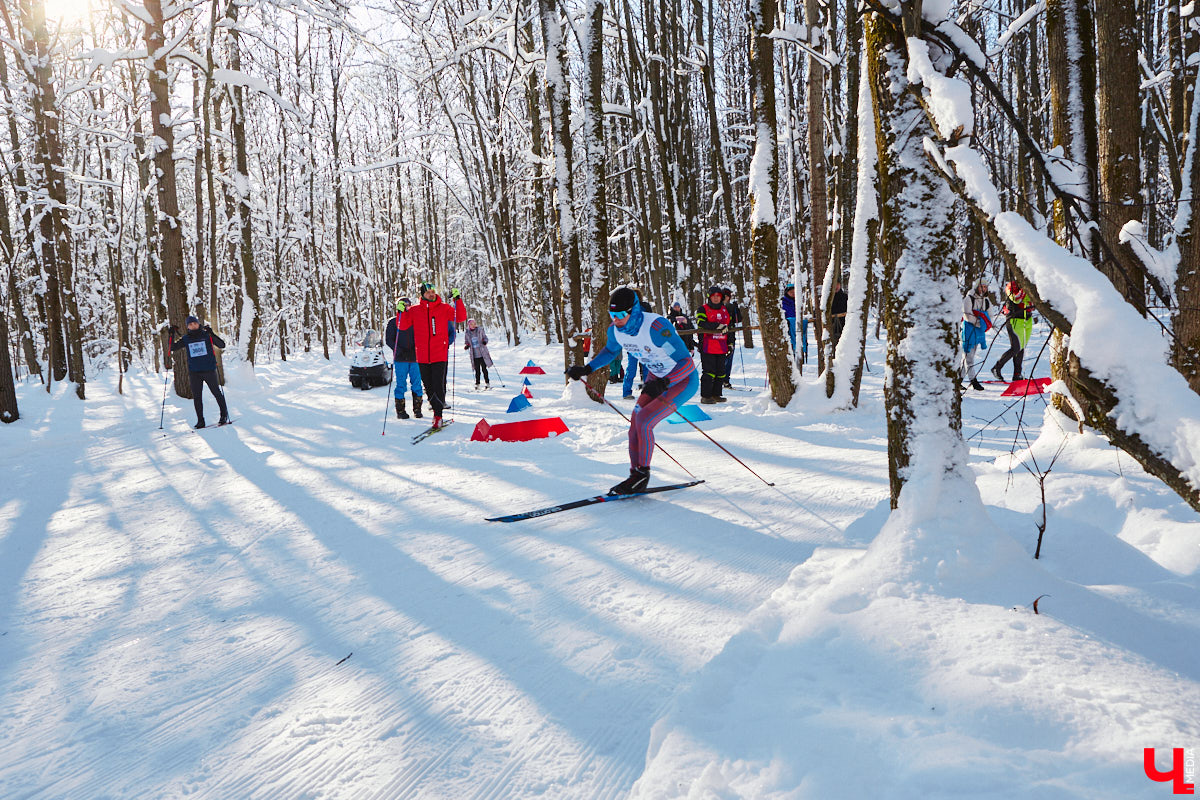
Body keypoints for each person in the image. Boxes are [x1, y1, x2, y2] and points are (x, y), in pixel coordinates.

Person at [566, 287, 698, 495]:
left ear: (633, 311)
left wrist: (665, 382)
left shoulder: (656, 328)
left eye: (620, 315)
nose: (616, 320)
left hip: (682, 379)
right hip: (657, 378)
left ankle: (642, 475)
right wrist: (587, 369)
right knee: (635, 423)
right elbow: (611, 351)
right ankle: (634, 475)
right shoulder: (615, 331)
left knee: (645, 420)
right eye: (612, 315)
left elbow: (686, 362)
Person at [398, 282, 467, 428]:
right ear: (422, 294)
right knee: (428, 387)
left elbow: (460, 317)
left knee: (438, 385)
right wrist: (401, 312)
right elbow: (402, 326)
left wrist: (457, 300)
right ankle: (435, 408)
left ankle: (438, 415)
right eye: (428, 291)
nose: (431, 293)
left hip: (439, 354)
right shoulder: (415, 310)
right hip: (422, 355)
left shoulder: (444, 308)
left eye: (433, 291)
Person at [169, 315, 229, 428]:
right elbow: (172, 348)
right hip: (194, 372)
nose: (193, 325)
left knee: (216, 392)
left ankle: (223, 415)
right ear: (188, 327)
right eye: (190, 324)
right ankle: (200, 421)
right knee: (197, 397)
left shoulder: (206, 335)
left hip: (209, 370)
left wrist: (211, 333)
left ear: (198, 324)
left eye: (194, 323)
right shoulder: (186, 339)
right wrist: (171, 334)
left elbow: (222, 345)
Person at [385, 297, 423, 419]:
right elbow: (389, 340)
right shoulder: (393, 322)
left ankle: (417, 409)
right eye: (403, 305)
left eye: (408, 305)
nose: (406, 307)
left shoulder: (415, 320)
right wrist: (399, 350)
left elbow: (420, 335)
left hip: (414, 357)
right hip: (401, 358)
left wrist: (416, 348)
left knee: (417, 383)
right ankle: (400, 410)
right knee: (401, 384)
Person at [991, 281, 1033, 383]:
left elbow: (1031, 303)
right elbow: (1016, 299)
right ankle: (997, 367)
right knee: (1016, 348)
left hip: (1026, 320)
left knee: (1021, 347)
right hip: (1014, 319)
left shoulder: (1030, 286)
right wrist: (1024, 290)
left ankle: (1017, 374)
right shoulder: (1011, 286)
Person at [695, 286, 731, 404]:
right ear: (709, 297)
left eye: (718, 296)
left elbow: (729, 328)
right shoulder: (702, 309)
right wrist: (716, 326)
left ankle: (716, 394)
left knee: (721, 372)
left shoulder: (725, 310)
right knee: (709, 372)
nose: (716, 299)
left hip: (721, 346)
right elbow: (701, 323)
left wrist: (730, 343)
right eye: (713, 296)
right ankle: (706, 396)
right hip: (707, 345)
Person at [961, 280, 991, 391]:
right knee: (969, 357)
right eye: (981, 286)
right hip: (968, 331)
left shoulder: (986, 300)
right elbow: (967, 315)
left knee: (968, 357)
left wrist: (985, 323)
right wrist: (980, 323)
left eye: (985, 287)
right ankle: (974, 381)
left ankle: (958, 380)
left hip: (979, 332)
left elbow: (990, 315)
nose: (983, 289)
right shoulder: (969, 299)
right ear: (977, 287)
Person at [463, 318, 493, 388]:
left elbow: (485, 338)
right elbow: (466, 341)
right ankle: (477, 383)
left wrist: (484, 341)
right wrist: (467, 346)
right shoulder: (467, 333)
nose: (473, 325)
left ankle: (487, 382)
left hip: (482, 353)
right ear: (469, 325)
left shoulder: (480, 330)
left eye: (474, 324)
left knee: (484, 369)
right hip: (474, 355)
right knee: (477, 370)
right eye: (471, 324)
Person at [722, 288, 742, 388]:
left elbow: (738, 319)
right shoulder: (718, 307)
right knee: (722, 358)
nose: (726, 298)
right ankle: (719, 379)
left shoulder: (731, 306)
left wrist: (736, 309)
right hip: (721, 336)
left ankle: (726, 379)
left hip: (731, 335)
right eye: (724, 296)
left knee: (729, 358)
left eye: (727, 296)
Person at [781, 282, 797, 356]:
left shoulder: (796, 302)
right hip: (786, 328)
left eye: (794, 292)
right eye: (791, 292)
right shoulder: (783, 302)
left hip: (795, 327)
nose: (793, 294)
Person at [830, 281, 848, 348]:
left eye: (838, 284)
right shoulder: (828, 299)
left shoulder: (845, 297)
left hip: (844, 327)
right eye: (835, 284)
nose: (836, 287)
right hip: (832, 328)